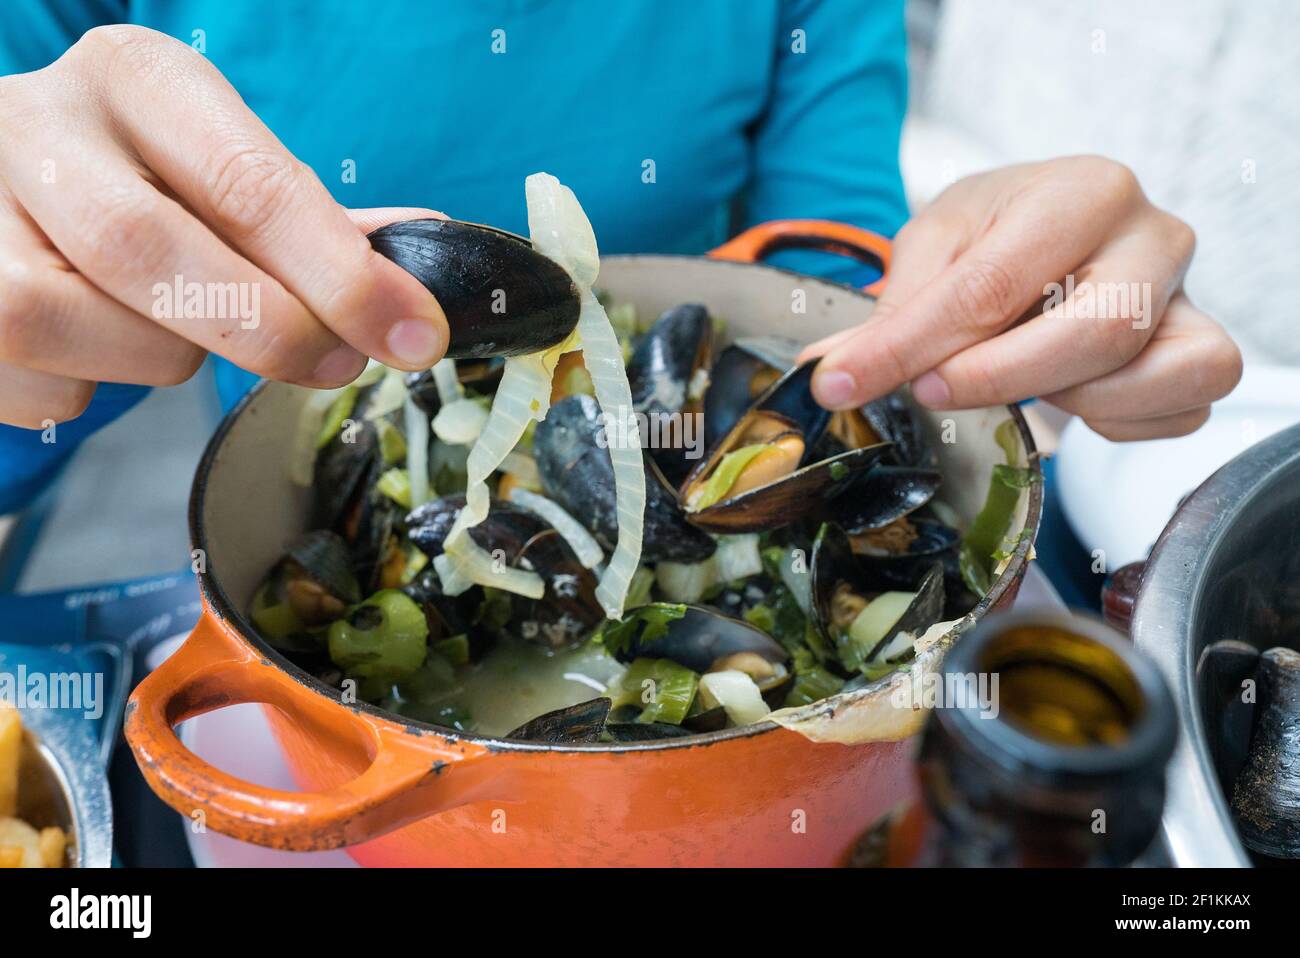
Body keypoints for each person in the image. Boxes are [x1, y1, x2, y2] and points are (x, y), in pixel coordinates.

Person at [0, 1, 1241, 515]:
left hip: (683, 473)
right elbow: (30, 414)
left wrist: (986, 303)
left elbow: (826, 275)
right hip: (319, 496)